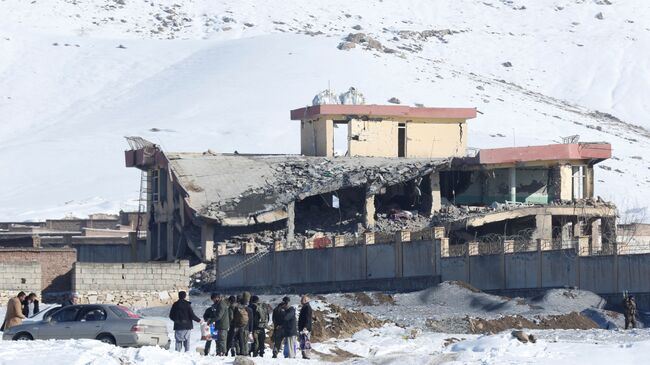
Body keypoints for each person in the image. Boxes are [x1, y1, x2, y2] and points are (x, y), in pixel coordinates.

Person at [298, 295, 313, 359]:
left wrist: (305, 327)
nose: (300, 301)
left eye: (302, 300)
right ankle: (304, 354)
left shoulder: (307, 307)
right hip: (303, 327)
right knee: (303, 341)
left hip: (305, 327)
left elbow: (308, 318)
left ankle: (307, 355)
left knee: (306, 341)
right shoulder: (305, 307)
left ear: (305, 300)